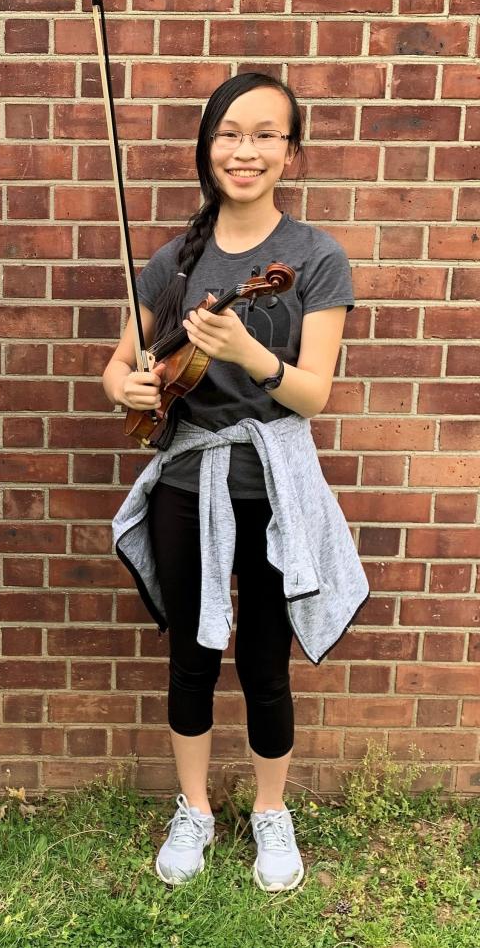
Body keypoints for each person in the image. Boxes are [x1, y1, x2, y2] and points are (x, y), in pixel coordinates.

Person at [103, 73, 368, 892]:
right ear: (207, 147)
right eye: (228, 133)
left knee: (263, 658)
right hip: (189, 481)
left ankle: (269, 813)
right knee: (191, 651)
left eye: (264, 136)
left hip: (273, 483)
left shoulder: (317, 258)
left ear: (292, 152)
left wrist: (249, 352)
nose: (243, 151)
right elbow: (116, 368)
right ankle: (195, 810)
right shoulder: (172, 261)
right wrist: (132, 387)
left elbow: (313, 391)